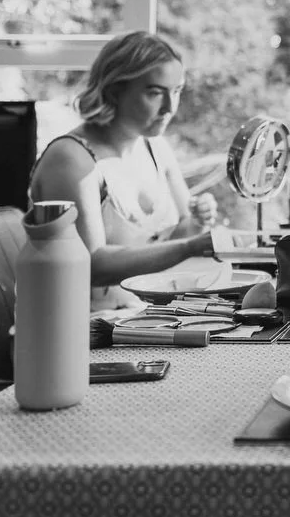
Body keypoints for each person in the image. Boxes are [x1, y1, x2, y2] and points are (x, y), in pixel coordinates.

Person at [29, 30, 220, 310]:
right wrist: (190, 246)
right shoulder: (71, 159)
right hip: (75, 332)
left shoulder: (156, 148)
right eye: (155, 93)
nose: (169, 107)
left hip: (140, 322)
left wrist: (197, 223)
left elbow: (178, 237)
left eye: (176, 91)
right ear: (115, 90)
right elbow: (92, 266)